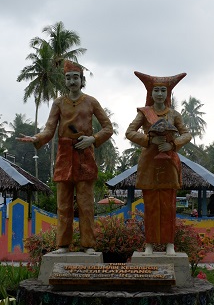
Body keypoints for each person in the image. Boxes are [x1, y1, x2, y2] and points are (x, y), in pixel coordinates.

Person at [17, 60, 113, 254]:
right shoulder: (59, 102)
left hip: (85, 156)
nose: (72, 81)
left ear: (82, 80)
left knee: (86, 205)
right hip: (64, 157)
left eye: (75, 77)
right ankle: (63, 245)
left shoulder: (91, 101)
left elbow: (108, 128)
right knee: (63, 205)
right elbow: (49, 128)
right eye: (68, 78)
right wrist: (36, 137)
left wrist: (92, 139)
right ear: (65, 81)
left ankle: (88, 245)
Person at [126, 71, 191, 255]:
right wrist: (148, 141)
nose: (160, 94)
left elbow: (187, 134)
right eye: (157, 90)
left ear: (167, 94)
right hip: (149, 164)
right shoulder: (144, 113)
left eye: (163, 90)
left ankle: (170, 243)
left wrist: (173, 144)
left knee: (169, 206)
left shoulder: (174, 114)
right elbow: (130, 132)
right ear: (151, 93)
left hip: (169, 162)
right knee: (151, 206)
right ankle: (150, 244)